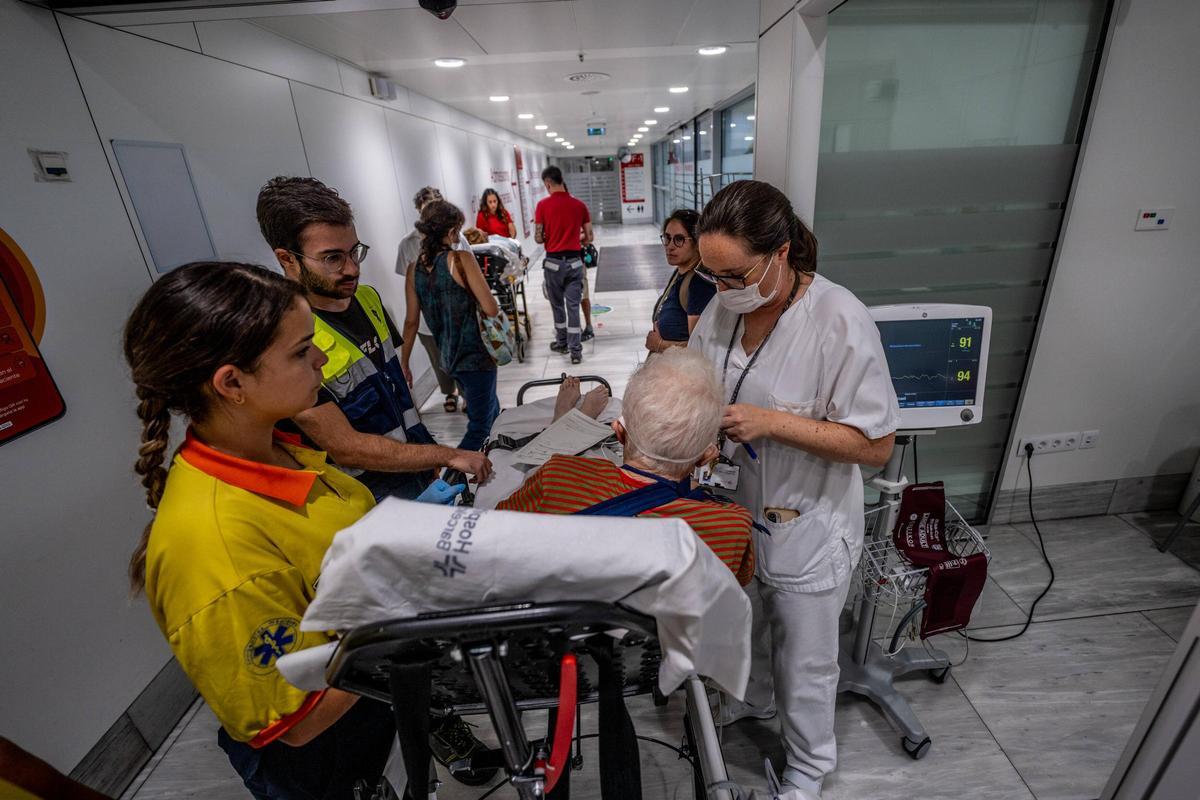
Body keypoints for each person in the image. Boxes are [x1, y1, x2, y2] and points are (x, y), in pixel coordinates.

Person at [123, 262, 397, 798]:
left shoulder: (274, 446)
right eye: (301, 351)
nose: (321, 358)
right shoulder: (213, 546)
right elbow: (298, 721)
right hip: (320, 757)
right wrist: (414, 622)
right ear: (232, 383)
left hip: (366, 709)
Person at [688, 180, 900, 797]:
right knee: (746, 628)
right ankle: (752, 707)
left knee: (805, 660)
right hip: (736, 510)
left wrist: (772, 422)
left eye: (736, 275)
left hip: (808, 520)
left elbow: (875, 444)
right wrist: (701, 432)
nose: (725, 291)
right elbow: (706, 386)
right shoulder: (724, 310)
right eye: (713, 277)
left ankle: (809, 770)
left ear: (780, 251)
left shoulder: (837, 317)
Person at [257, 177, 491, 500]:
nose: (352, 269)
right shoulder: (284, 340)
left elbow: (399, 394)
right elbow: (346, 448)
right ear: (287, 259)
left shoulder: (367, 299)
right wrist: (445, 454)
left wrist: (425, 454)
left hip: (417, 475)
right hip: (371, 500)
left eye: (354, 252)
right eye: (332, 258)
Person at [497, 348, 755, 586]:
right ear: (704, 456)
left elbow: (498, 530)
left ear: (619, 431)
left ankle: (562, 419)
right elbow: (736, 585)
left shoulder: (557, 477)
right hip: (664, 634)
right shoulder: (731, 525)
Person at [403, 200, 502, 452]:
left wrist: (403, 362)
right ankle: (454, 474)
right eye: (457, 229)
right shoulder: (461, 260)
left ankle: (497, 459)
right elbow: (491, 308)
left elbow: (411, 321)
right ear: (450, 232)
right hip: (476, 354)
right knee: (480, 426)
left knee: (491, 409)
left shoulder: (414, 270)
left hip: (448, 358)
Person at [397, 186, 461, 412]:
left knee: (461, 359)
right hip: (427, 322)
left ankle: (466, 394)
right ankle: (449, 392)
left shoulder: (456, 238)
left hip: (458, 319)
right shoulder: (408, 245)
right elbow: (411, 315)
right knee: (439, 361)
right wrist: (403, 361)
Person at [535, 165, 593, 364]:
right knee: (573, 307)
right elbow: (589, 237)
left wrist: (549, 236)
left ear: (548, 183)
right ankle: (576, 351)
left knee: (558, 306)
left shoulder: (542, 206)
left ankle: (561, 343)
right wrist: (575, 239)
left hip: (553, 263)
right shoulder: (579, 205)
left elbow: (537, 238)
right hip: (575, 263)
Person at [646, 208, 716, 354]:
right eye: (667, 238)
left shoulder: (699, 284)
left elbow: (701, 348)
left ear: (697, 243)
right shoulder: (680, 273)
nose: (670, 246)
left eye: (679, 239)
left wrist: (659, 345)